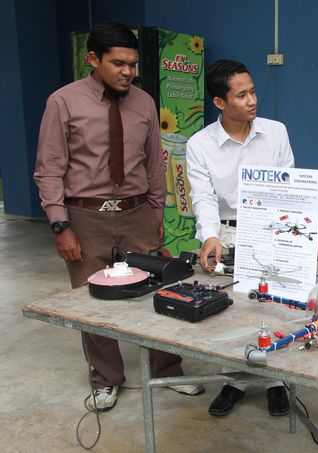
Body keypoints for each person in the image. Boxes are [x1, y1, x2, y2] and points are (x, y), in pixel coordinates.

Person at [33, 22, 204, 412]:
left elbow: (154, 163)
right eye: (118, 63)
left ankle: (168, 370)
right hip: (85, 217)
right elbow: (49, 169)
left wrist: (156, 212)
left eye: (133, 64)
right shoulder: (63, 102)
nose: (128, 72)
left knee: (158, 292)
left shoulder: (144, 102)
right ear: (92, 59)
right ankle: (106, 379)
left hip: (137, 213)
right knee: (91, 300)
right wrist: (60, 225)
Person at [186, 59, 294, 417]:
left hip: (272, 229)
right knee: (233, 310)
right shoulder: (200, 144)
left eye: (253, 91)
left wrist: (289, 235)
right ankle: (235, 381)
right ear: (220, 102)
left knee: (275, 306)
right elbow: (203, 197)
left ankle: (277, 382)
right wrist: (210, 236)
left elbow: (289, 184)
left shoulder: (275, 132)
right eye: (242, 95)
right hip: (228, 232)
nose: (252, 100)